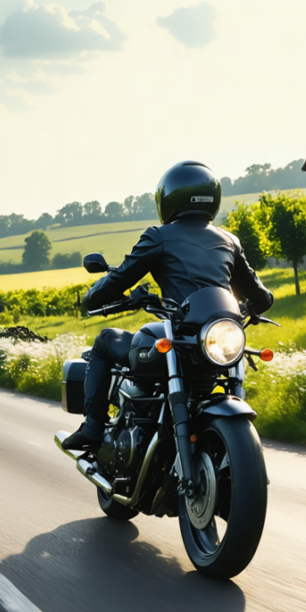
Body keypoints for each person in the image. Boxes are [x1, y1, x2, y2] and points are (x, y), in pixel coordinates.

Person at [61, 160, 275, 452]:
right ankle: (104, 427)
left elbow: (120, 278)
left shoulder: (158, 236)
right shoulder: (229, 241)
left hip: (182, 342)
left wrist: (92, 297)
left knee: (105, 340)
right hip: (214, 343)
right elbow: (260, 296)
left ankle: (92, 427)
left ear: (168, 198)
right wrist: (260, 302)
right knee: (115, 343)